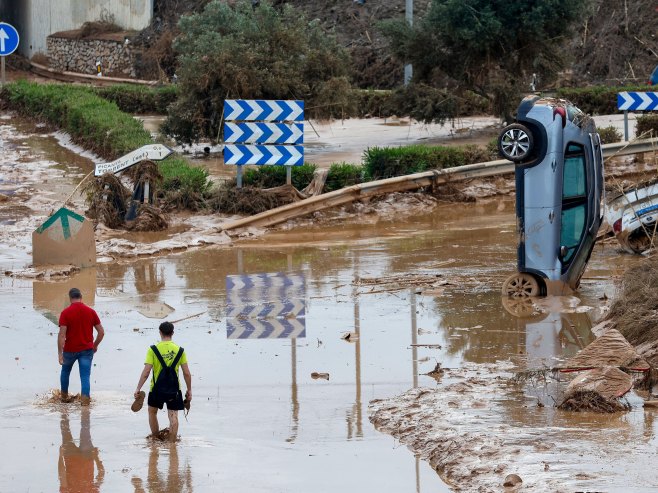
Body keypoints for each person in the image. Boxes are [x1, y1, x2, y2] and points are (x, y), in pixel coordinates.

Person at [134, 322, 192, 442]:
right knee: (173, 416)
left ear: (160, 333)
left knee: (152, 412)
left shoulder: (153, 350)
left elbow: (146, 372)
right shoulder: (180, 350)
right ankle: (172, 443)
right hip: (174, 390)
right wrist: (189, 390)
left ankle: (155, 439)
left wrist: (138, 388)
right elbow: (186, 373)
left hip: (156, 389)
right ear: (172, 333)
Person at [58, 288, 105, 405]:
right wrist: (95, 345)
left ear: (70, 298)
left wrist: (60, 353)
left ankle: (64, 397)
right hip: (86, 350)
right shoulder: (91, 312)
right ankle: (85, 402)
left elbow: (61, 335)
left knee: (65, 372)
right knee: (85, 376)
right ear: (81, 297)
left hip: (69, 350)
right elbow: (101, 332)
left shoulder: (65, 313)